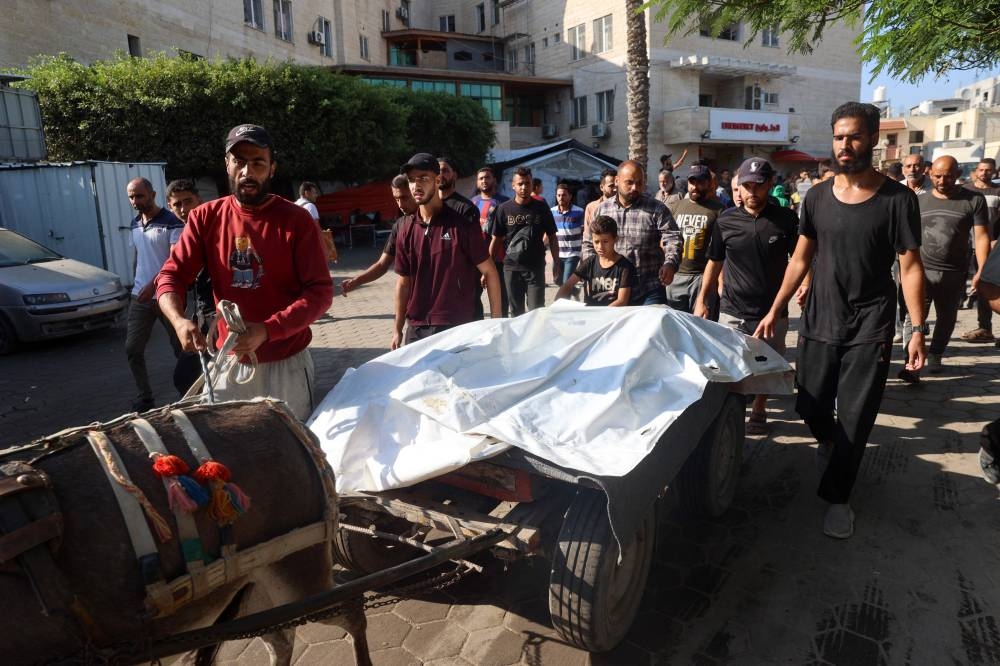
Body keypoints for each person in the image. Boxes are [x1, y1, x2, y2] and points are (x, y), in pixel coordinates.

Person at [754, 102, 927, 539]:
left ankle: (838, 497)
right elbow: (800, 258)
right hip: (819, 318)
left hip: (871, 325)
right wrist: (777, 308)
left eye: (853, 137)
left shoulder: (898, 200)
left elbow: (910, 268)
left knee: (856, 416)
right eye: (838, 137)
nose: (844, 145)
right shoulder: (815, 197)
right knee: (809, 404)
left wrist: (917, 329)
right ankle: (828, 442)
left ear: (871, 139)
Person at [156, 123, 334, 420]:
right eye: (239, 161)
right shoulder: (205, 218)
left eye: (258, 163)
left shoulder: (297, 221)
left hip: (286, 362)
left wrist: (268, 329)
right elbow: (170, 276)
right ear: (226, 164)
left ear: (272, 168)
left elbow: (320, 293)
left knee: (291, 455)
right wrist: (178, 321)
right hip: (230, 361)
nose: (247, 172)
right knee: (232, 453)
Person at [694, 157, 799, 434]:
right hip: (733, 308)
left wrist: (805, 284)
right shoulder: (726, 220)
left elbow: (800, 258)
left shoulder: (786, 219)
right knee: (732, 365)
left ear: (770, 185)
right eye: (746, 185)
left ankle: (760, 406)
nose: (752, 192)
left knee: (766, 364)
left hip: (772, 310)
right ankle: (734, 411)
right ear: (738, 186)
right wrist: (703, 299)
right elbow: (714, 261)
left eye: (758, 185)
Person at [896, 155, 991, 382]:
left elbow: (981, 237)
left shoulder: (974, 200)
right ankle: (912, 365)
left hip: (954, 273)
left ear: (958, 175)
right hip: (921, 271)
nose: (942, 180)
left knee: (947, 317)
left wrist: (981, 271)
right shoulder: (917, 201)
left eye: (948, 176)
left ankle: (936, 353)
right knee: (914, 318)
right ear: (930, 173)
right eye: (937, 176)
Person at [393, 153, 501, 348]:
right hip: (417, 327)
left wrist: (496, 324)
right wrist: (397, 329)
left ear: (437, 180)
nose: (416, 186)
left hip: (456, 325)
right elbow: (403, 283)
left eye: (423, 179)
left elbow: (490, 272)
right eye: (411, 180)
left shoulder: (462, 223)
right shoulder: (403, 228)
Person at [124, 177, 184, 411]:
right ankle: (145, 397)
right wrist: (137, 284)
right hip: (139, 296)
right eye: (131, 197)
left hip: (166, 295)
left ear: (152, 194)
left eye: (139, 196)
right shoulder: (135, 223)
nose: (135, 201)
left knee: (181, 347)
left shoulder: (172, 222)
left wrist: (153, 285)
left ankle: (189, 391)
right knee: (132, 348)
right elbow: (139, 257)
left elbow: (174, 260)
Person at [585, 160, 681, 305]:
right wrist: (591, 273)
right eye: (629, 182)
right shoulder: (602, 209)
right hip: (611, 290)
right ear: (617, 181)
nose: (635, 187)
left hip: (649, 289)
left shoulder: (657, 209)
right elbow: (588, 243)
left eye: (639, 183)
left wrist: (670, 263)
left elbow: (673, 237)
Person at [488, 167, 559, 315]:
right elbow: (496, 240)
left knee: (537, 311)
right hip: (511, 268)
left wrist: (557, 263)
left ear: (532, 184)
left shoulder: (541, 207)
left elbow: (552, 236)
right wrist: (487, 269)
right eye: (520, 183)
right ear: (513, 185)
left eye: (527, 183)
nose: (524, 187)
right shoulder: (503, 209)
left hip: (536, 268)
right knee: (516, 313)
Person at [164, 178, 211, 396]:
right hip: (201, 314)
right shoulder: (184, 235)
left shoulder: (212, 228)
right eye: (177, 204)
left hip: (219, 315)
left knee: (187, 376)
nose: (184, 209)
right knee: (186, 377)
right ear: (169, 207)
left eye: (188, 201)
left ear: (199, 200)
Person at [341, 174, 418, 296]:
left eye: (404, 198)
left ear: (416, 192)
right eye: (396, 199)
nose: (400, 205)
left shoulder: (437, 223)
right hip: (412, 300)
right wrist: (357, 281)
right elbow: (382, 264)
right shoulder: (400, 226)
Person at [665, 162, 725, 315]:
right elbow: (665, 237)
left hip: (702, 278)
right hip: (676, 276)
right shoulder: (676, 206)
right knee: (676, 327)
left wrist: (719, 282)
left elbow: (722, 251)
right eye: (692, 182)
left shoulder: (718, 210)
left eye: (700, 182)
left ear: (709, 184)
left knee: (701, 328)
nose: (695, 186)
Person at [555, 216, 636, 306]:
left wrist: (600, 315)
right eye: (596, 242)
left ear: (615, 239)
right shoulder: (589, 262)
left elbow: (622, 301)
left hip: (614, 317)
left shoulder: (625, 267)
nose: (600, 247)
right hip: (590, 315)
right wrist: (555, 306)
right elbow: (567, 285)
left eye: (605, 241)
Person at [961, 158, 1000, 342]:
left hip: (991, 246)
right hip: (966, 244)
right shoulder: (967, 190)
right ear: (976, 171)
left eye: (988, 170)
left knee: (988, 286)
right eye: (982, 169)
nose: (984, 173)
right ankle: (982, 326)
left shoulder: (998, 191)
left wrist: (996, 240)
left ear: (994, 172)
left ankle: (986, 327)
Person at [471, 166, 510, 317]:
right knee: (473, 298)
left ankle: (502, 329)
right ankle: (478, 328)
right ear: (477, 182)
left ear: (494, 179)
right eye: (481, 178)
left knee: (501, 300)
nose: (484, 181)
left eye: (487, 177)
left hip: (499, 260)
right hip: (476, 259)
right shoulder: (472, 203)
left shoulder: (505, 203)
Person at [551, 182, 585, 288]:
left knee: (566, 282)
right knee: (558, 281)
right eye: (559, 195)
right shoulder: (552, 212)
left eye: (564, 195)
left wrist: (584, 254)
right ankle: (575, 291)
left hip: (573, 254)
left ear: (570, 196)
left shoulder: (579, 212)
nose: (561, 198)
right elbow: (549, 233)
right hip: (557, 254)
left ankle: (565, 302)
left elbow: (584, 233)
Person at [438, 156, 479, 224]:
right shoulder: (428, 205)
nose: (440, 175)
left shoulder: (466, 208)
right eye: (437, 171)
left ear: (454, 175)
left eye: (445, 171)